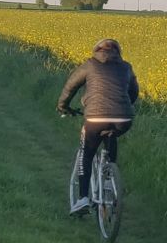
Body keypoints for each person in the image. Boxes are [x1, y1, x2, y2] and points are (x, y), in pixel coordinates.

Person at [58, 39, 139, 214]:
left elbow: (70, 87)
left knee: (86, 153)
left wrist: (63, 106)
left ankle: (82, 199)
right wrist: (122, 107)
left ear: (97, 51)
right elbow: (134, 92)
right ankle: (109, 179)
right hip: (123, 119)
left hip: (95, 118)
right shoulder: (126, 67)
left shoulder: (90, 65)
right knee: (111, 135)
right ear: (118, 52)